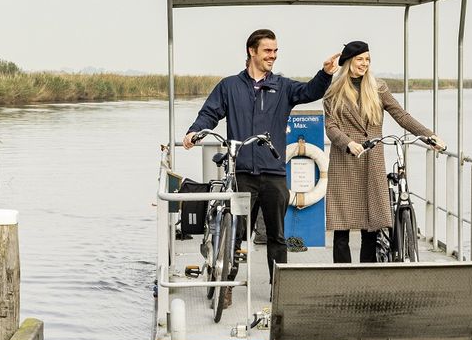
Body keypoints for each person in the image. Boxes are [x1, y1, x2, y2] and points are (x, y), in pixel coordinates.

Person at [183, 30, 340, 282]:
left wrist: (325, 74)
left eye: (276, 51)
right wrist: (195, 132)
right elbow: (210, 113)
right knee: (234, 234)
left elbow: (310, 91)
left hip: (274, 174)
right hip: (242, 173)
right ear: (251, 51)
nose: (273, 56)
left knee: (277, 237)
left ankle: (278, 290)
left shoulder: (283, 86)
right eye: (268, 51)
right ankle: (227, 287)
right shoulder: (229, 86)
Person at [323, 40, 446, 262]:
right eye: (360, 59)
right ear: (349, 62)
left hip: (373, 161)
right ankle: (342, 278)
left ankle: (367, 278)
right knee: (341, 227)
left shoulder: (378, 87)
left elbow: (401, 115)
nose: (365, 64)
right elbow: (331, 127)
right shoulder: (333, 91)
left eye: (368, 59)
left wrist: (428, 135)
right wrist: (348, 143)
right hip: (345, 163)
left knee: (371, 226)